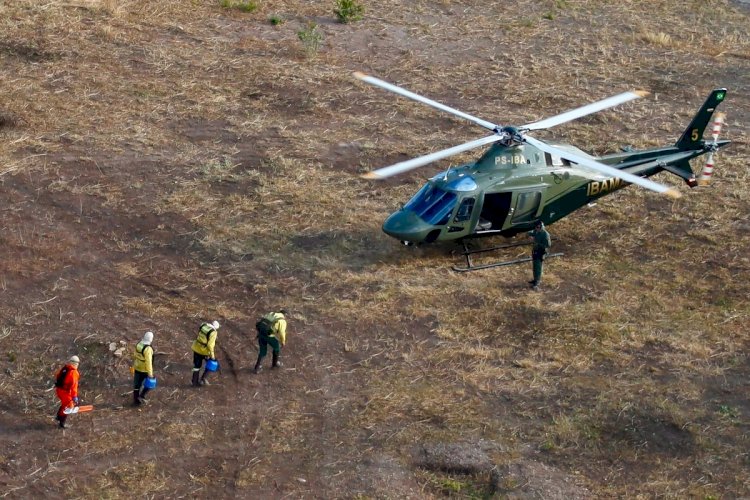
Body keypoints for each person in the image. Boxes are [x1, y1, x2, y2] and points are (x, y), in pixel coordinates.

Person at [253, 309, 287, 374]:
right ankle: (275, 363)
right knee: (277, 347)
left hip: (261, 333)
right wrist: (283, 341)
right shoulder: (282, 321)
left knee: (262, 351)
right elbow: (282, 332)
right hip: (269, 336)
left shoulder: (271, 313)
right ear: (285, 315)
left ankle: (257, 368)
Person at [54, 355, 80, 429]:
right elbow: (74, 386)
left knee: (64, 404)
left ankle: (58, 417)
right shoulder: (74, 373)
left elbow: (58, 376)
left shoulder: (65, 368)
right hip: (64, 391)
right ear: (76, 364)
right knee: (68, 406)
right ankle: (62, 423)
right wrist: (74, 397)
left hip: (59, 390)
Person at [191, 320, 219, 386]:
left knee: (196, 366)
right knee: (212, 364)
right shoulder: (213, 332)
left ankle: (194, 382)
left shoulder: (203, 325)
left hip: (196, 348)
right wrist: (212, 356)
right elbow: (210, 345)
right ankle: (203, 379)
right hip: (205, 352)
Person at [132, 331, 155, 406]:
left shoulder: (139, 344)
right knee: (150, 383)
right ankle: (142, 396)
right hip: (144, 369)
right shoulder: (148, 349)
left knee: (137, 385)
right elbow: (148, 362)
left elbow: (135, 355)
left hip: (137, 367)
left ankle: (136, 400)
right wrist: (150, 374)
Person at [527, 220, 551, 290]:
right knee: (535, 266)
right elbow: (532, 232)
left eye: (537, 227)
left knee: (538, 267)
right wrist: (528, 234)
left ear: (541, 227)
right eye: (535, 227)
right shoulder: (536, 231)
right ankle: (535, 279)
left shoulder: (545, 235)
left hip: (541, 252)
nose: (536, 229)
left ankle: (537, 282)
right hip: (535, 251)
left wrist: (536, 243)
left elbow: (547, 245)